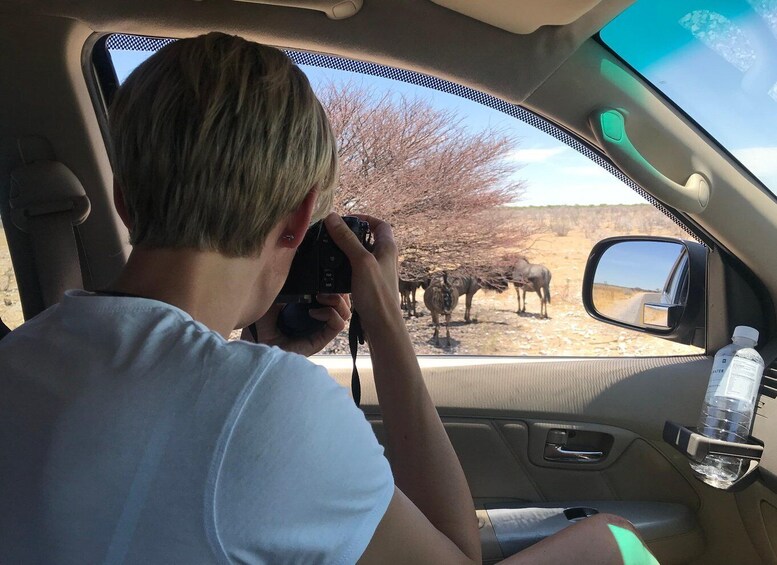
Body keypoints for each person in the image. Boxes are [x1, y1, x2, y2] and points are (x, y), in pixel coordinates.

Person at [0, 33, 658, 564]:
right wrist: (386, 320)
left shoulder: (22, 354)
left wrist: (253, 351)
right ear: (297, 221)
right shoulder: (266, 406)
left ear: (122, 199)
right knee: (611, 540)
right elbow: (454, 552)